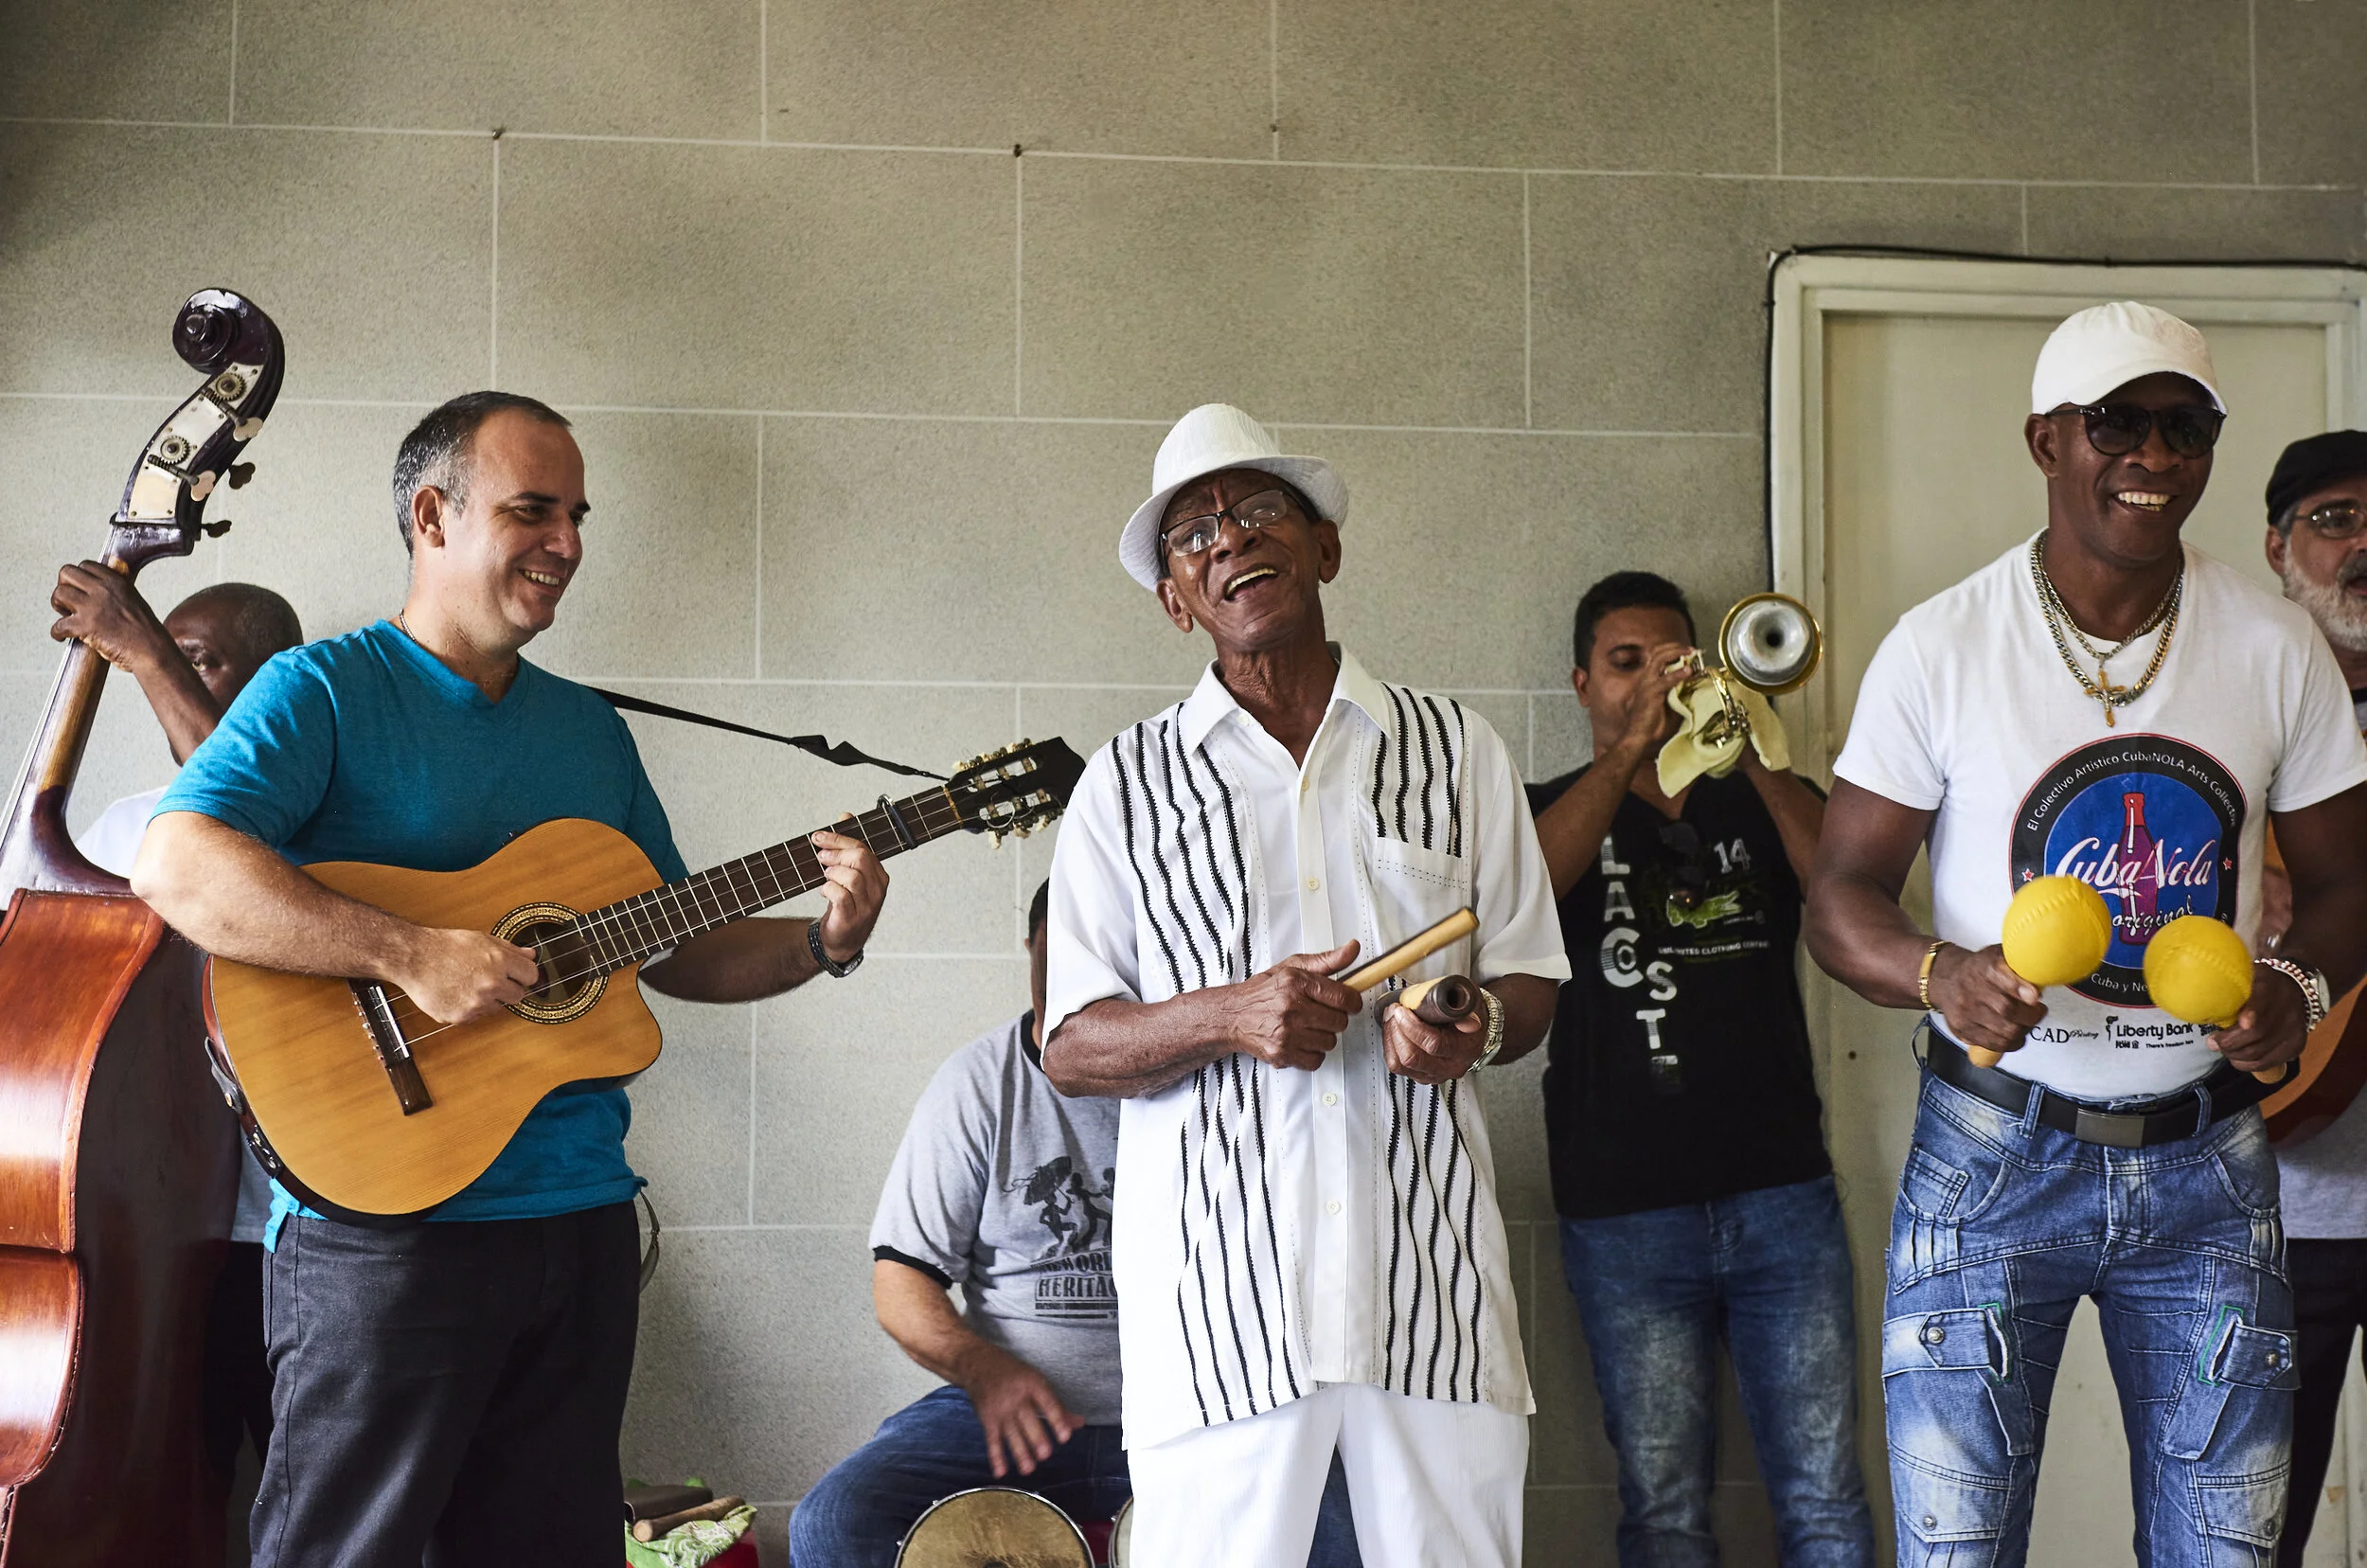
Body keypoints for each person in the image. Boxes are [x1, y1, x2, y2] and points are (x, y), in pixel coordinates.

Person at [132, 391, 894, 1568]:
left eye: (578, 516)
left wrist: (823, 942)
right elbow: (177, 864)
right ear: (432, 516)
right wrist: (409, 952)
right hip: (383, 1237)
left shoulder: (589, 735)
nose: (570, 544)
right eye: (533, 510)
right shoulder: (322, 692)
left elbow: (673, 945)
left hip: (581, 1226)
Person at [1806, 302, 2367, 1566]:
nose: (2154, 458)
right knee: (1960, 1549)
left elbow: (2346, 884)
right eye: (2119, 423)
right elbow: (1841, 893)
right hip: (1994, 1155)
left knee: (2226, 1550)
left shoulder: (2275, 651)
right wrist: (1937, 972)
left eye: (2185, 427)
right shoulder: (1942, 647)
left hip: (2210, 1160)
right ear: (2046, 440)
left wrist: (2294, 981)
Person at [1042, 403, 1570, 1568]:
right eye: (1193, 533)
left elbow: (1527, 981)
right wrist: (1231, 1014)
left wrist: (1468, 1027)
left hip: (1427, 1285)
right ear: (1177, 600)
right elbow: (1071, 1044)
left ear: (1323, 546)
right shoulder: (1122, 790)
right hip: (1220, 1306)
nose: (1229, 539)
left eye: (1259, 507)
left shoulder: (1455, 749)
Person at [792, 882, 1361, 1566]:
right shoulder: (980, 1081)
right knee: (834, 1520)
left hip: (1197, 1411)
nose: (1073, 975)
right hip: (1011, 1416)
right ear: (1032, 947)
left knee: (1344, 1530)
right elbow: (899, 1281)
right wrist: (985, 1371)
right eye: (1056, 952)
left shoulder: (1223, 1069)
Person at [1527, 570, 1872, 1568]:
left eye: (1667, 661)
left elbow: (1846, 896)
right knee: (1665, 1508)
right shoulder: (1543, 805)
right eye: (1622, 664)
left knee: (1824, 1498)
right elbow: (1527, 893)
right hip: (1623, 1211)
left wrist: (1760, 756)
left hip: (1780, 1197)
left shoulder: (1756, 800)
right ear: (1581, 683)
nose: (1646, 681)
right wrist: (1637, 746)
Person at [49, 570, 302, 1499]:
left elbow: (242, 817)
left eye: (198, 660)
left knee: (303, 1482)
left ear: (279, 681)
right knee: (168, 1481)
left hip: (280, 1233)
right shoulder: (118, 830)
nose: (166, 678)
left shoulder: (313, 816)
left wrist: (142, 645)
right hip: (140, 1230)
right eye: (170, 660)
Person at [2258, 430, 2367, 1568]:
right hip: (2281, 1203)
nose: (2360, 547)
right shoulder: (2228, 711)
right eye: (2333, 521)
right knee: (2251, 1530)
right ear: (2278, 548)